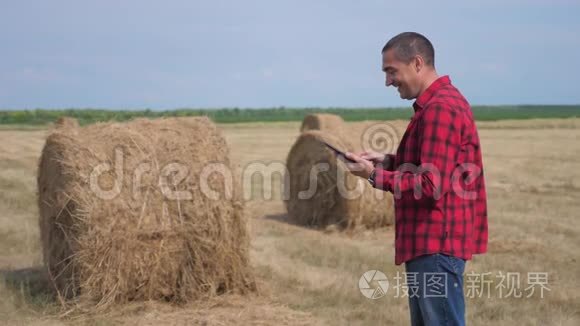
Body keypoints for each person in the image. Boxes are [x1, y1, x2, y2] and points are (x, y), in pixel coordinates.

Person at [344, 32, 488, 326]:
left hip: (436, 244)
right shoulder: (438, 105)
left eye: (391, 71)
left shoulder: (440, 109)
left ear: (417, 63)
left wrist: (374, 176)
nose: (388, 81)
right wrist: (386, 162)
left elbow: (430, 185)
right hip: (431, 244)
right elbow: (436, 167)